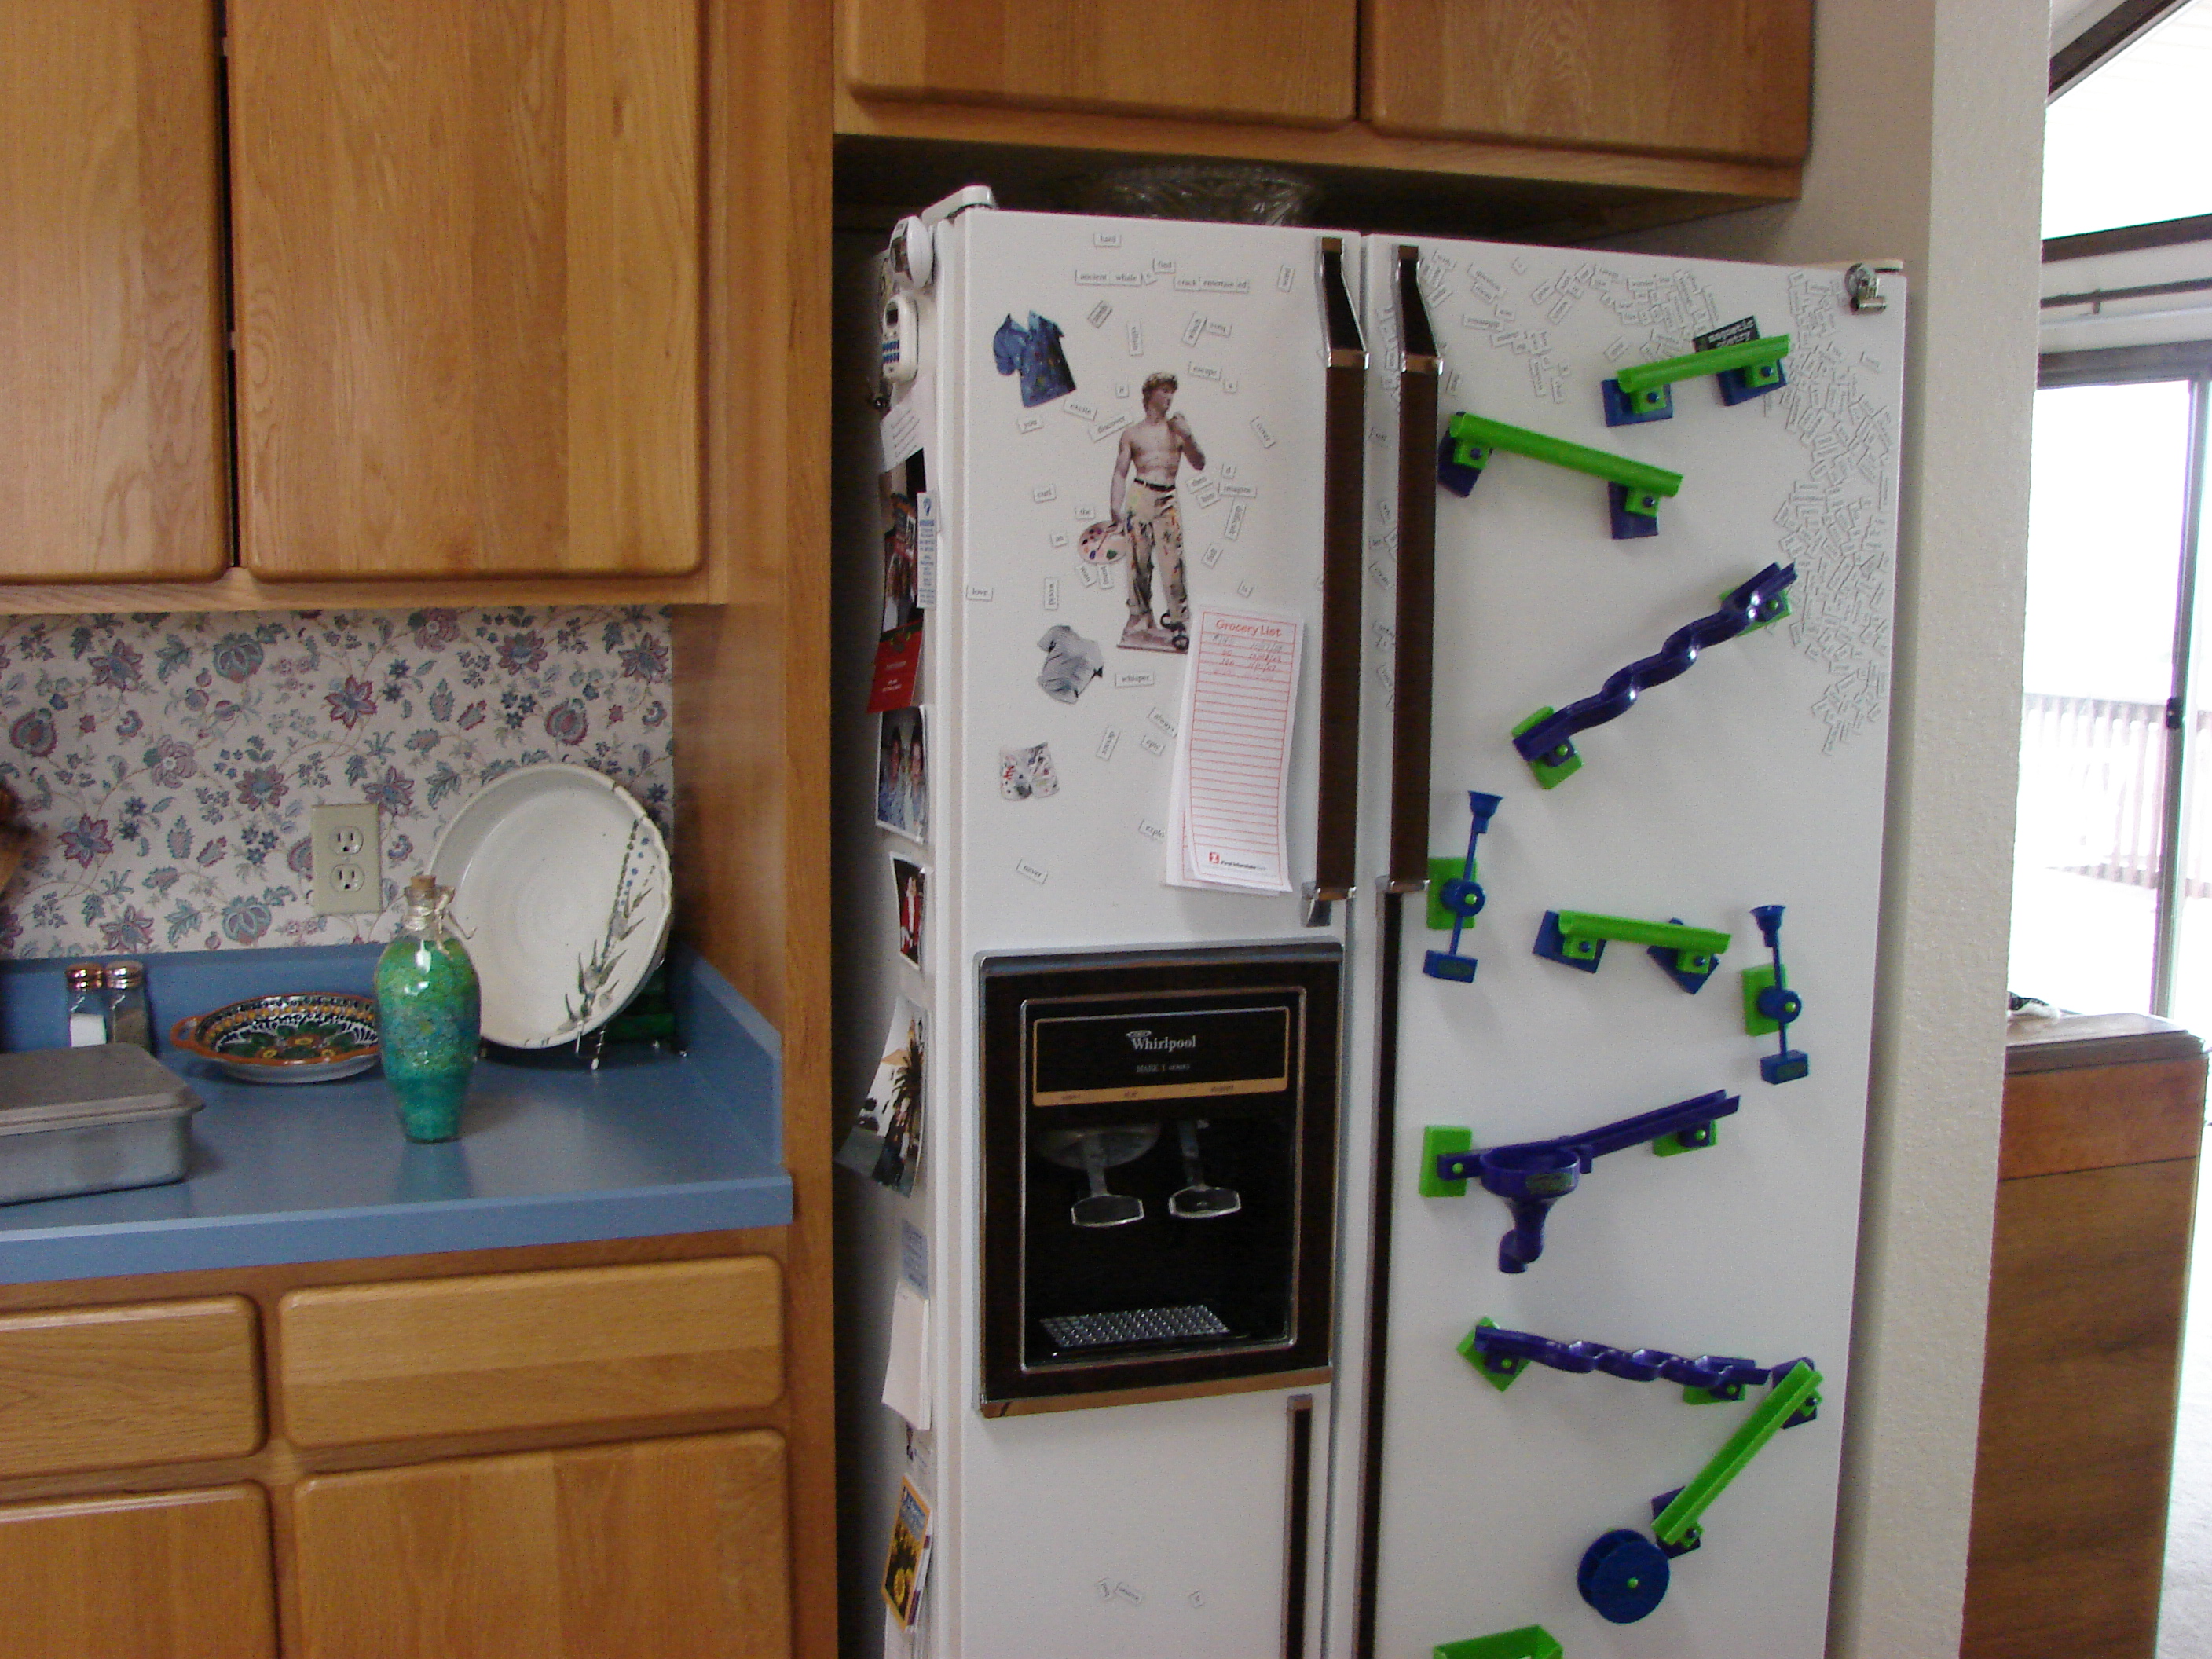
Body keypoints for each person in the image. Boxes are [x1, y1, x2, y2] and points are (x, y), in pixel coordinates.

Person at [1109, 372, 1206, 651]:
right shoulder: (1132, 433)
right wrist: (1115, 505)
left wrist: (1188, 437)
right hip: (1140, 494)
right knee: (1137, 561)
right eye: (1164, 391)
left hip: (1167, 498)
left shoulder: (1177, 429)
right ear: (1150, 394)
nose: (1169, 397)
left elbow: (1199, 463)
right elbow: (1120, 472)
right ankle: (1140, 616)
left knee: (1172, 562)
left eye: (1171, 392)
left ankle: (1178, 619)